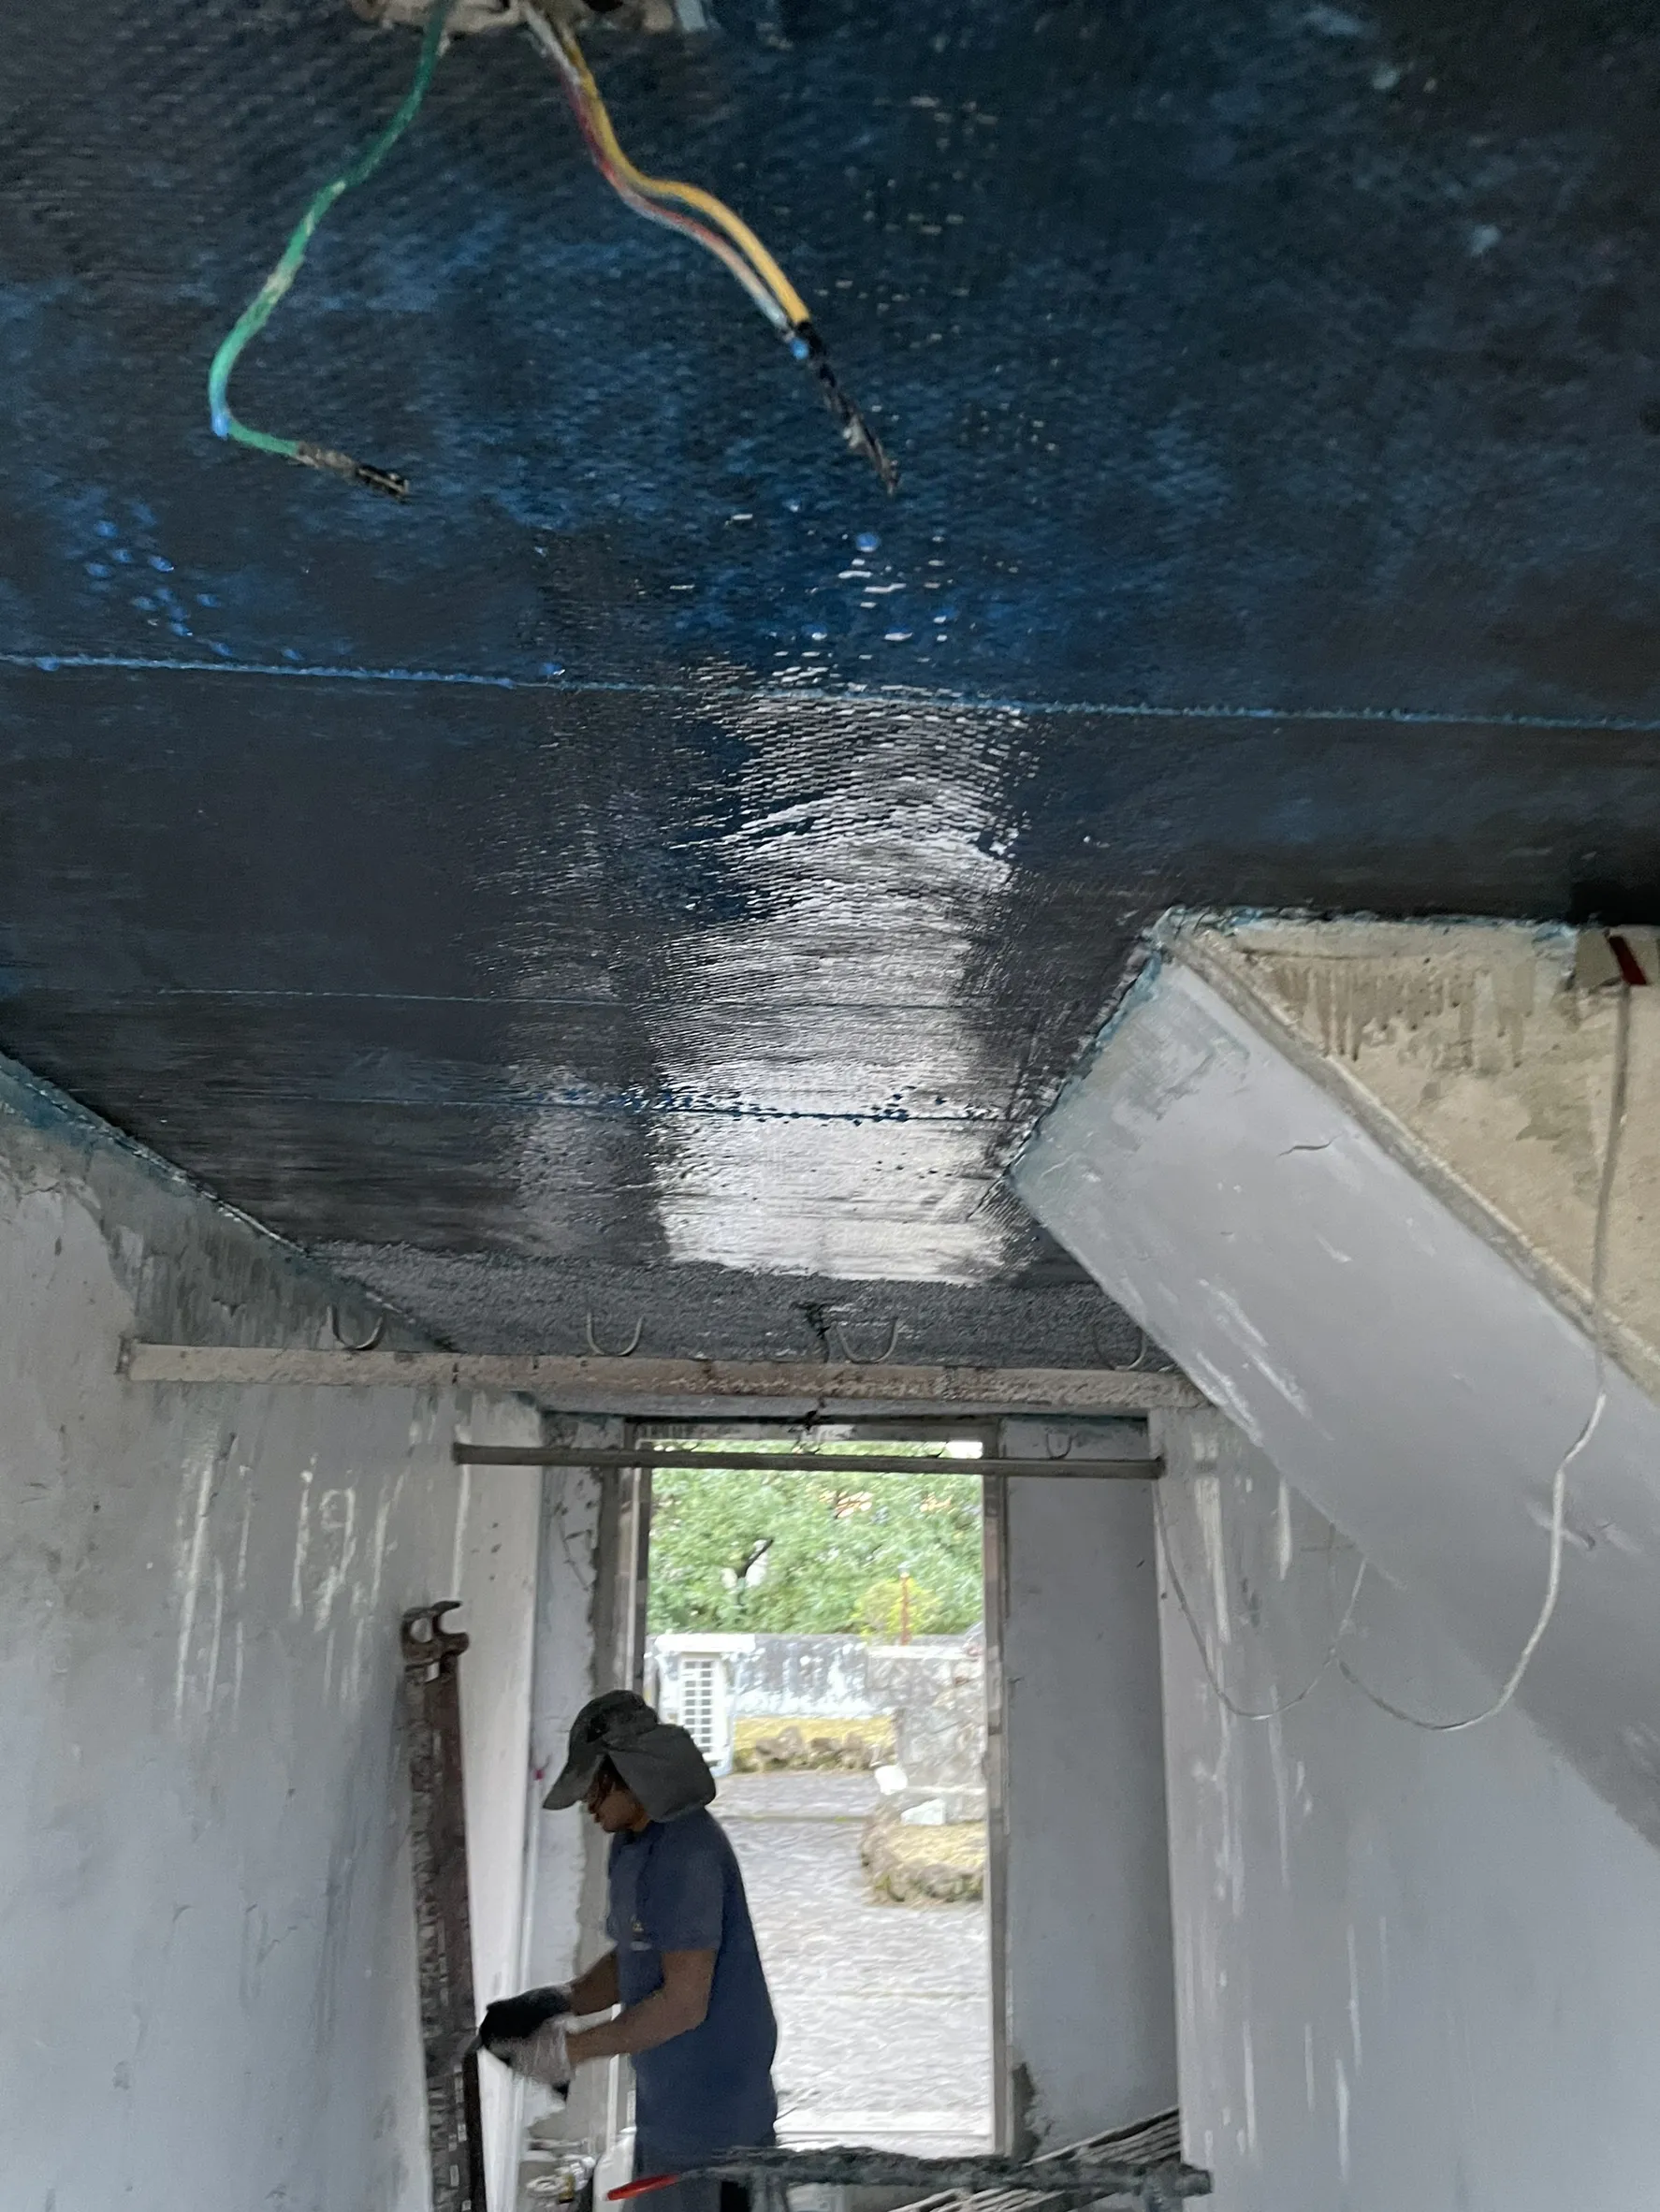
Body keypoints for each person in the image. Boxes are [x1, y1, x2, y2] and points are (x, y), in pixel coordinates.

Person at [479, 1690, 778, 2212]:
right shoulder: (632, 1844)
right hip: (667, 2108)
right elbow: (637, 1956)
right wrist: (560, 2000)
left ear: (629, 1775)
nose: (587, 1803)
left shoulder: (688, 1854)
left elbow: (683, 2003)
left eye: (594, 1786)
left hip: (718, 2122)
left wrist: (568, 2052)